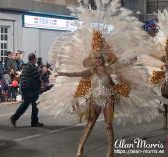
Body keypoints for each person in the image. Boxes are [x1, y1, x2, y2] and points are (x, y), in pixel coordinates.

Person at [38, 1, 167, 157]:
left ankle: (110, 152)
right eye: (96, 57)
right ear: (93, 58)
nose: (98, 59)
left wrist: (134, 59)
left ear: (103, 58)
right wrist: (63, 74)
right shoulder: (90, 71)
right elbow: (77, 74)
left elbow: (122, 64)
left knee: (108, 126)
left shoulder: (110, 69)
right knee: (90, 123)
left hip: (108, 99)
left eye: (100, 57)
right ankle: (80, 148)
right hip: (95, 98)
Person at [10, 53, 43, 127]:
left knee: (26, 103)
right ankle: (34, 122)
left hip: (26, 87)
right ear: (34, 59)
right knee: (35, 104)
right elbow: (37, 76)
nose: (37, 59)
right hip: (30, 88)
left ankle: (14, 118)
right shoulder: (31, 66)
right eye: (36, 58)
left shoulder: (27, 65)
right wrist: (42, 72)